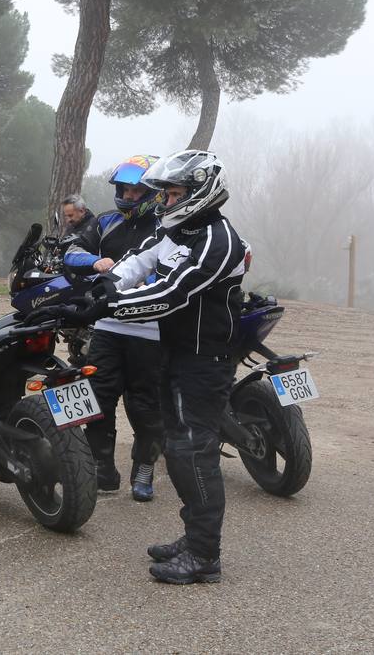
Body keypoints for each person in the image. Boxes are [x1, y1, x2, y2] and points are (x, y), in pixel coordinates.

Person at [103, 150, 248, 585]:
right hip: (175, 353)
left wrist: (103, 305)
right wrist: (107, 283)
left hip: (205, 361)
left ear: (200, 193)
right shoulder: (180, 231)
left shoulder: (217, 241)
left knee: (193, 454)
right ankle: (193, 537)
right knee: (177, 446)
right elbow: (141, 260)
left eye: (174, 194)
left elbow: (170, 293)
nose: (165, 202)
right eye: (165, 194)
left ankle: (205, 555)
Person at [62, 156, 164, 499]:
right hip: (107, 325)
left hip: (151, 330)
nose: (130, 196)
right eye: (125, 189)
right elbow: (70, 253)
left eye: (137, 191)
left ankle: (144, 469)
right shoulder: (105, 222)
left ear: (151, 191)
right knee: (98, 397)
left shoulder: (167, 225)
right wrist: (95, 261)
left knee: (145, 405)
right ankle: (103, 468)